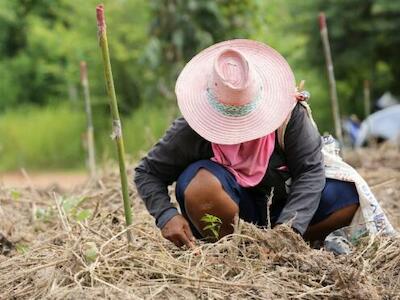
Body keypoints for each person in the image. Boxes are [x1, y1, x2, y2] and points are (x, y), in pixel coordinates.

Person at [134, 39, 359, 248]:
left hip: (283, 207)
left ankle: (286, 247)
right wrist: (166, 215)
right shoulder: (192, 129)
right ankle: (235, 250)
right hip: (228, 212)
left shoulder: (289, 118)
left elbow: (310, 171)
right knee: (201, 184)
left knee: (346, 195)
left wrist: (288, 231)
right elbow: (148, 172)